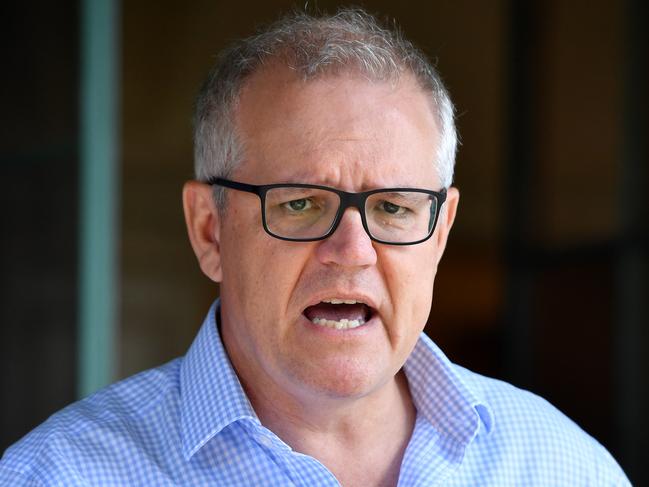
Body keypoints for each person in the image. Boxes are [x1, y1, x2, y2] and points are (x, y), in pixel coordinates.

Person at [0, 8, 630, 486]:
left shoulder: (564, 467)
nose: (352, 250)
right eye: (301, 204)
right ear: (209, 230)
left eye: (392, 207)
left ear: (440, 232)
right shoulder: (60, 475)